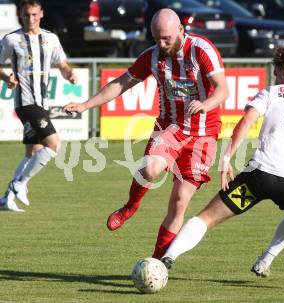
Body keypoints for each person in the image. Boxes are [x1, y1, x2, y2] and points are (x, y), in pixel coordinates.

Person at [160, 43, 284, 277]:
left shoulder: (271, 92)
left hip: (257, 179)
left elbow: (247, 121)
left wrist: (227, 157)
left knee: (205, 218)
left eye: (276, 71)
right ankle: (266, 260)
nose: (276, 76)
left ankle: (167, 258)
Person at [63, 8, 229, 259]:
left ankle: (158, 262)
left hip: (204, 134)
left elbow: (223, 90)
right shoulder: (151, 57)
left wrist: (206, 104)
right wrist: (85, 105)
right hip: (171, 127)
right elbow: (120, 84)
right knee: (149, 168)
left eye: (167, 39)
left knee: (180, 201)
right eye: (156, 39)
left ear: (181, 31)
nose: (161, 44)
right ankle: (130, 207)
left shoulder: (201, 51)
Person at [0, 0, 77, 212]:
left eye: (34, 14)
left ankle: (6, 199)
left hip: (42, 103)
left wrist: (68, 73)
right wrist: (7, 76)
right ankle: (18, 185)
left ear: (41, 14)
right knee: (54, 144)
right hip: (25, 103)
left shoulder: (50, 39)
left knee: (33, 152)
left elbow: (62, 64)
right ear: (20, 15)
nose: (30, 19)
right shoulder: (11, 39)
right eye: (26, 15)